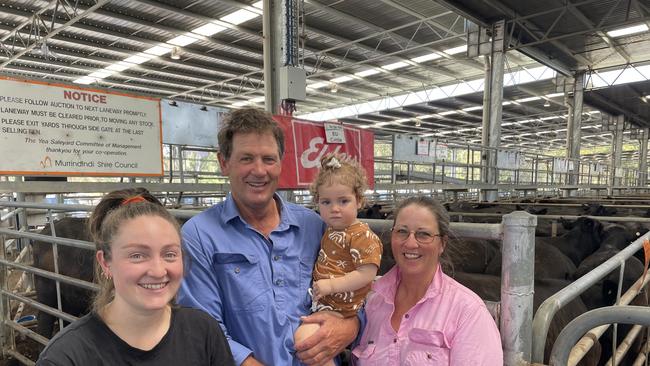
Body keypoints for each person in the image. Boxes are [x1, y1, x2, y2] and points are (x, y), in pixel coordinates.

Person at [177, 108, 359, 366]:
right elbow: (204, 330)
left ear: (281, 163)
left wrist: (349, 326)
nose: (259, 170)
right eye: (247, 158)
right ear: (223, 163)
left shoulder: (314, 226)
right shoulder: (199, 236)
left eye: (269, 159)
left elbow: (355, 290)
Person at [36, 188, 234, 366]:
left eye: (170, 254)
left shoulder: (205, 332)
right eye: (137, 255)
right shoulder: (65, 358)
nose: (158, 271)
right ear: (105, 262)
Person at [352, 196, 503, 365]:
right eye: (402, 231)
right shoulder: (372, 302)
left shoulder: (468, 313)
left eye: (423, 234)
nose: (410, 243)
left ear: (442, 243)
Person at [294, 154, 383, 366]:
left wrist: (331, 285)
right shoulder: (329, 230)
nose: (335, 208)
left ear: (359, 200)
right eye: (326, 202)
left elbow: (367, 272)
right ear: (317, 203)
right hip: (328, 302)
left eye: (343, 201)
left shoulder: (361, 234)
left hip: (345, 306)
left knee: (306, 338)